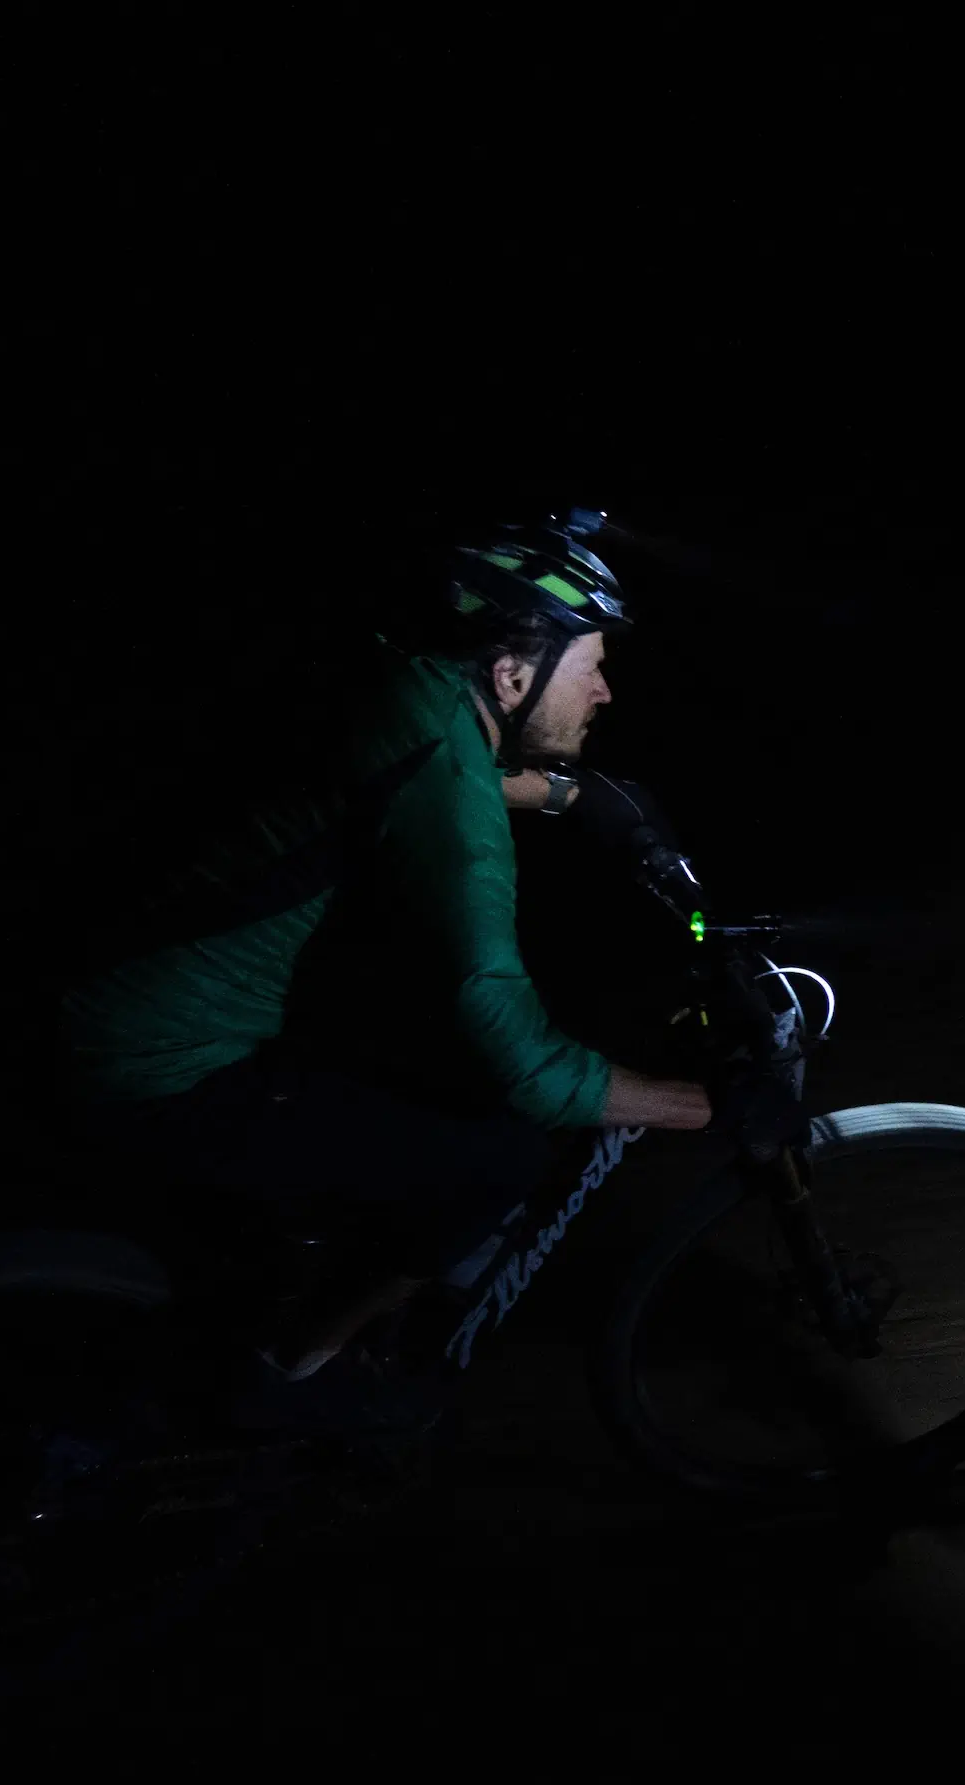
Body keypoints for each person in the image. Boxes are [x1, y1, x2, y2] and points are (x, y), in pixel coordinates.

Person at [56, 510, 714, 1421]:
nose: (605, 692)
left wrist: (570, 798)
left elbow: (433, 765)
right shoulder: (461, 822)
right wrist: (696, 1106)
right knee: (499, 1156)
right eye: (592, 667)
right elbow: (521, 1057)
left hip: (109, 984)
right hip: (161, 1068)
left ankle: (307, 1265)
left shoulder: (403, 678)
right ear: (511, 675)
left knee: (404, 1059)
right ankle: (297, 1368)